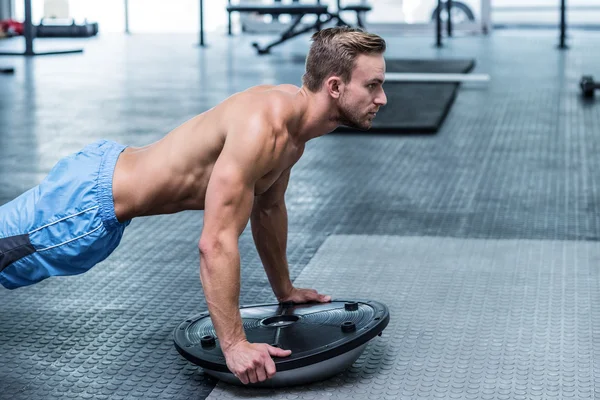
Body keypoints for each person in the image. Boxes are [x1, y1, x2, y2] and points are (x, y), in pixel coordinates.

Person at [0, 26, 387, 384]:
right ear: (334, 86)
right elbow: (215, 242)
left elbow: (267, 209)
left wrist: (284, 289)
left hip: (101, 182)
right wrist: (234, 345)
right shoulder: (263, 128)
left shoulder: (292, 127)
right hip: (82, 209)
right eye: (372, 86)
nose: (382, 98)